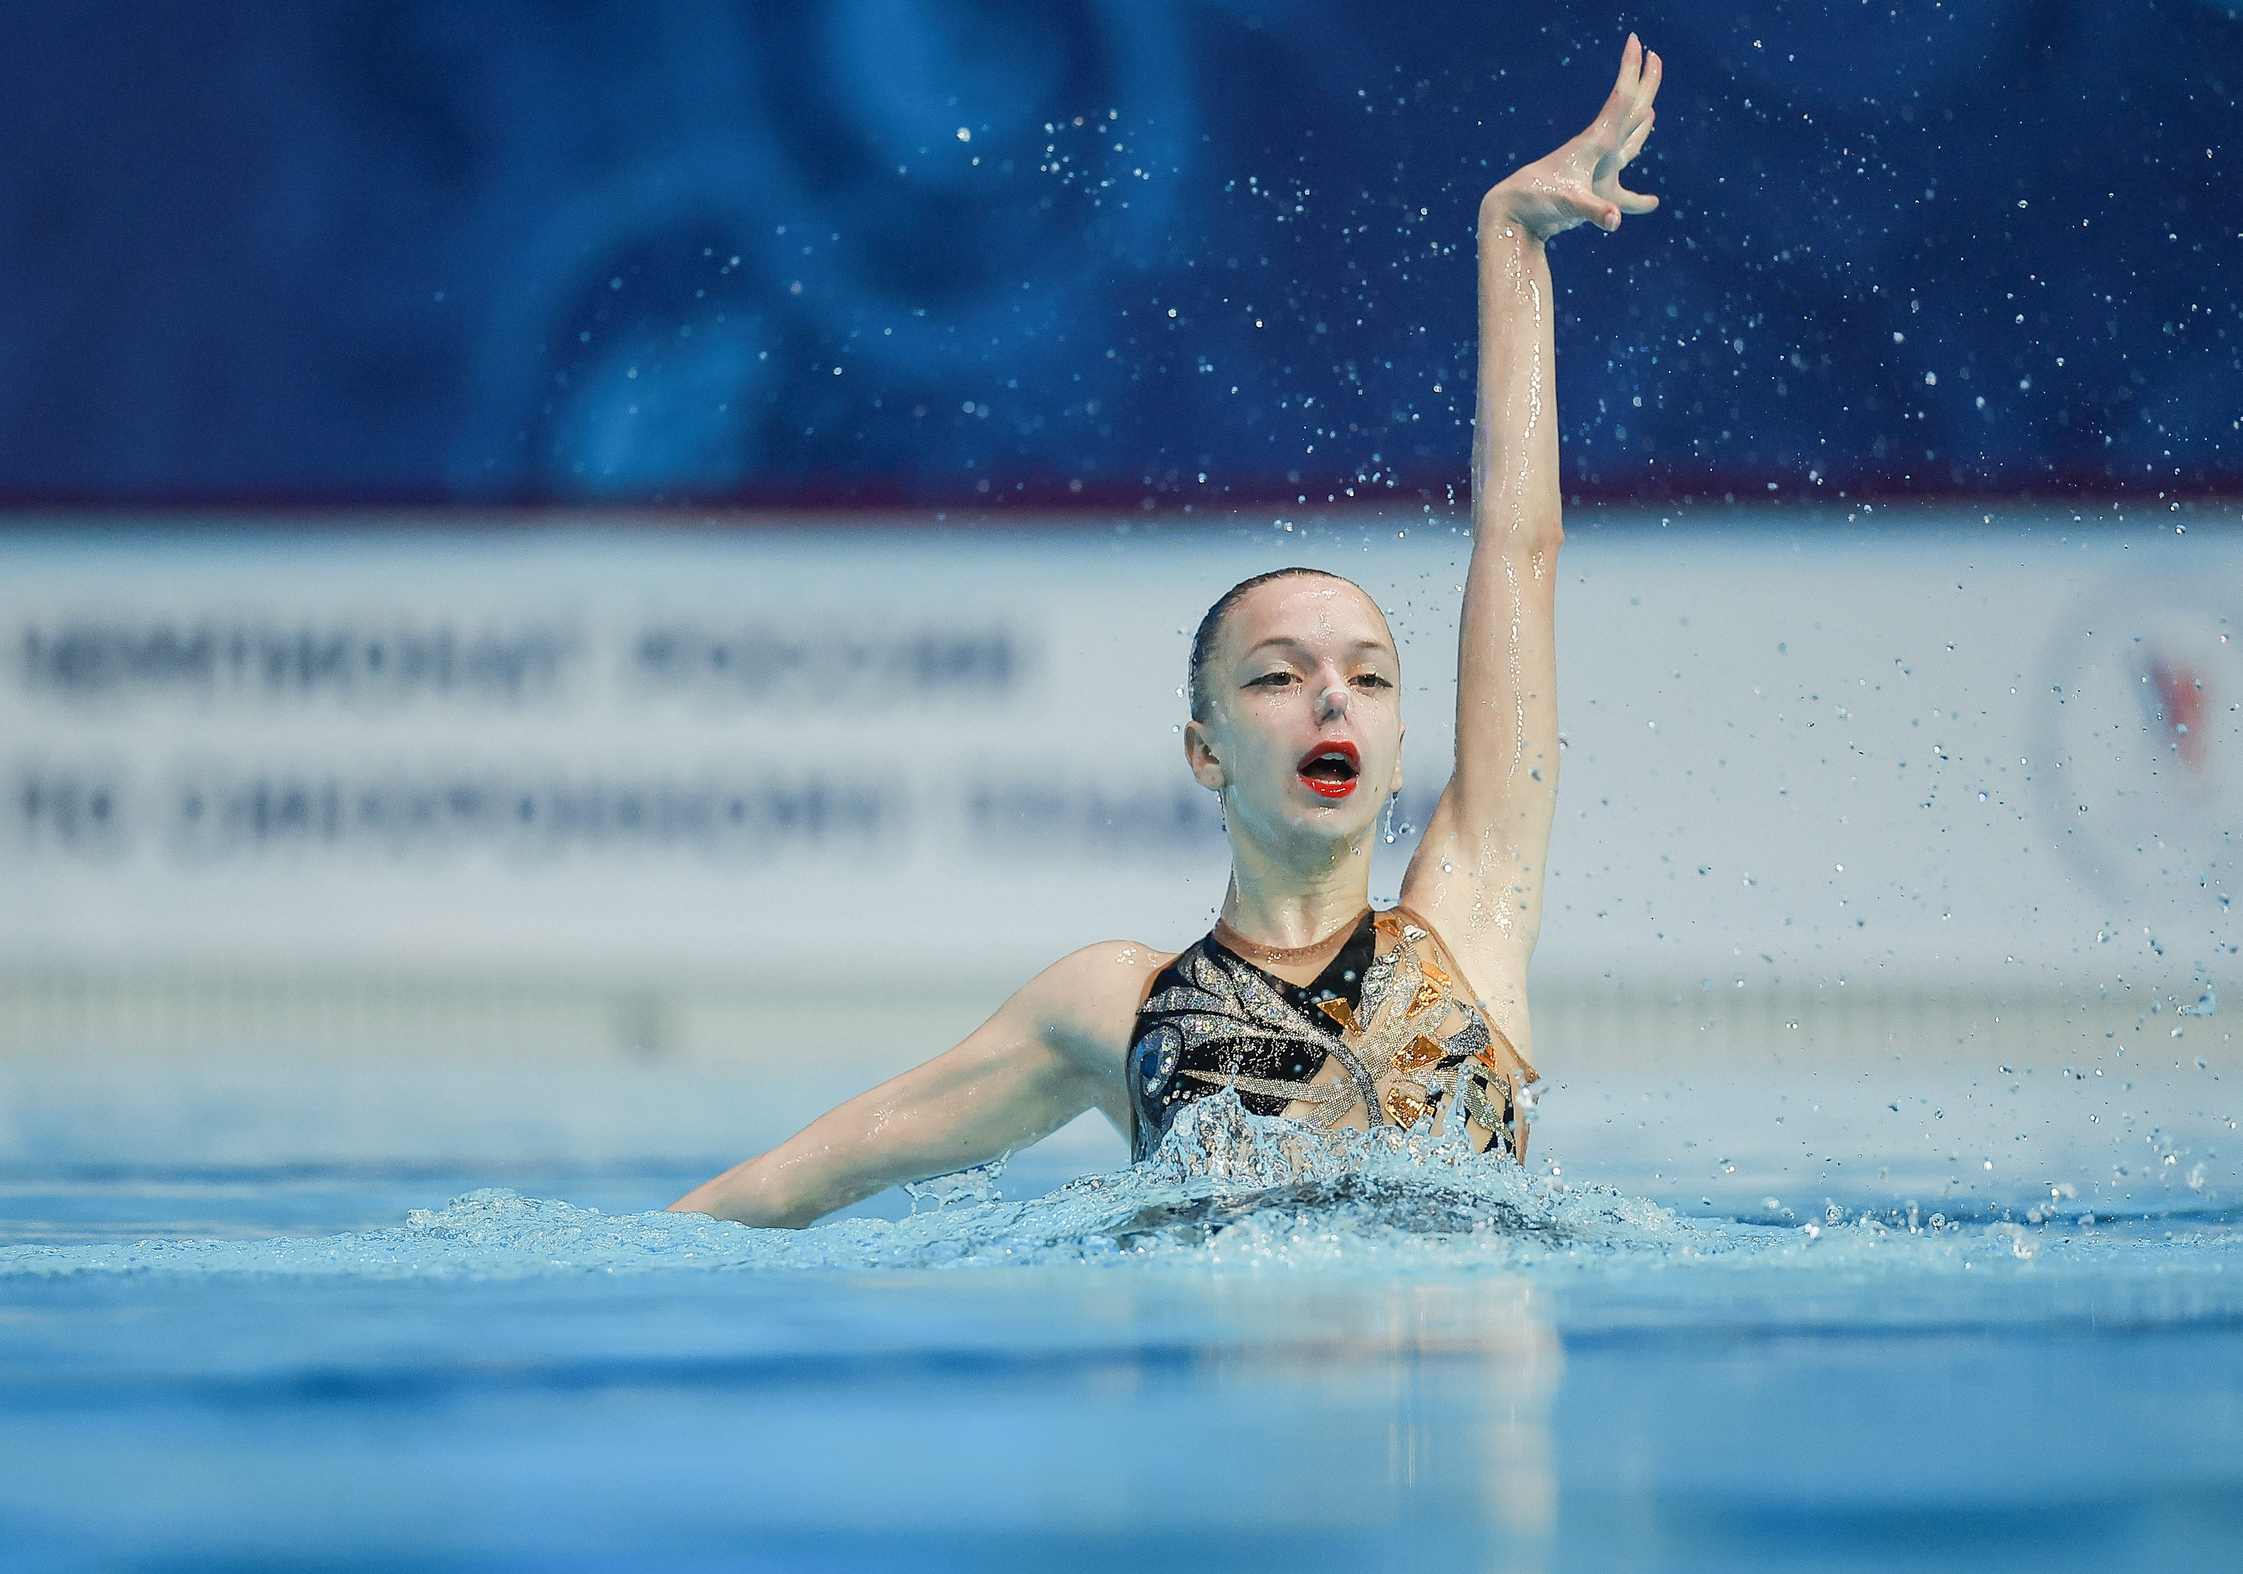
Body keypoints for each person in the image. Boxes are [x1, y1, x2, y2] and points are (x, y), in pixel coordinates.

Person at [673, 39, 1664, 1229]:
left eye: (1368, 678)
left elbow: (1520, 549)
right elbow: (807, 1177)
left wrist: (1509, 239)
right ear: (1204, 751)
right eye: (1277, 678)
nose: (1331, 698)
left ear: (1400, 745)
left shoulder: (1472, 916)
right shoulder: (1112, 1007)